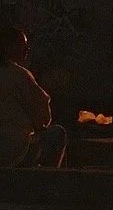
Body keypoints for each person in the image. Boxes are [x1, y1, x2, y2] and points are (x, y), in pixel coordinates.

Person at [0, 20, 67, 169]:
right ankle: (46, 179)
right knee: (57, 133)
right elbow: (43, 116)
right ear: (9, 48)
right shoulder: (19, 75)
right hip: (15, 150)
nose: (26, 50)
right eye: (23, 46)